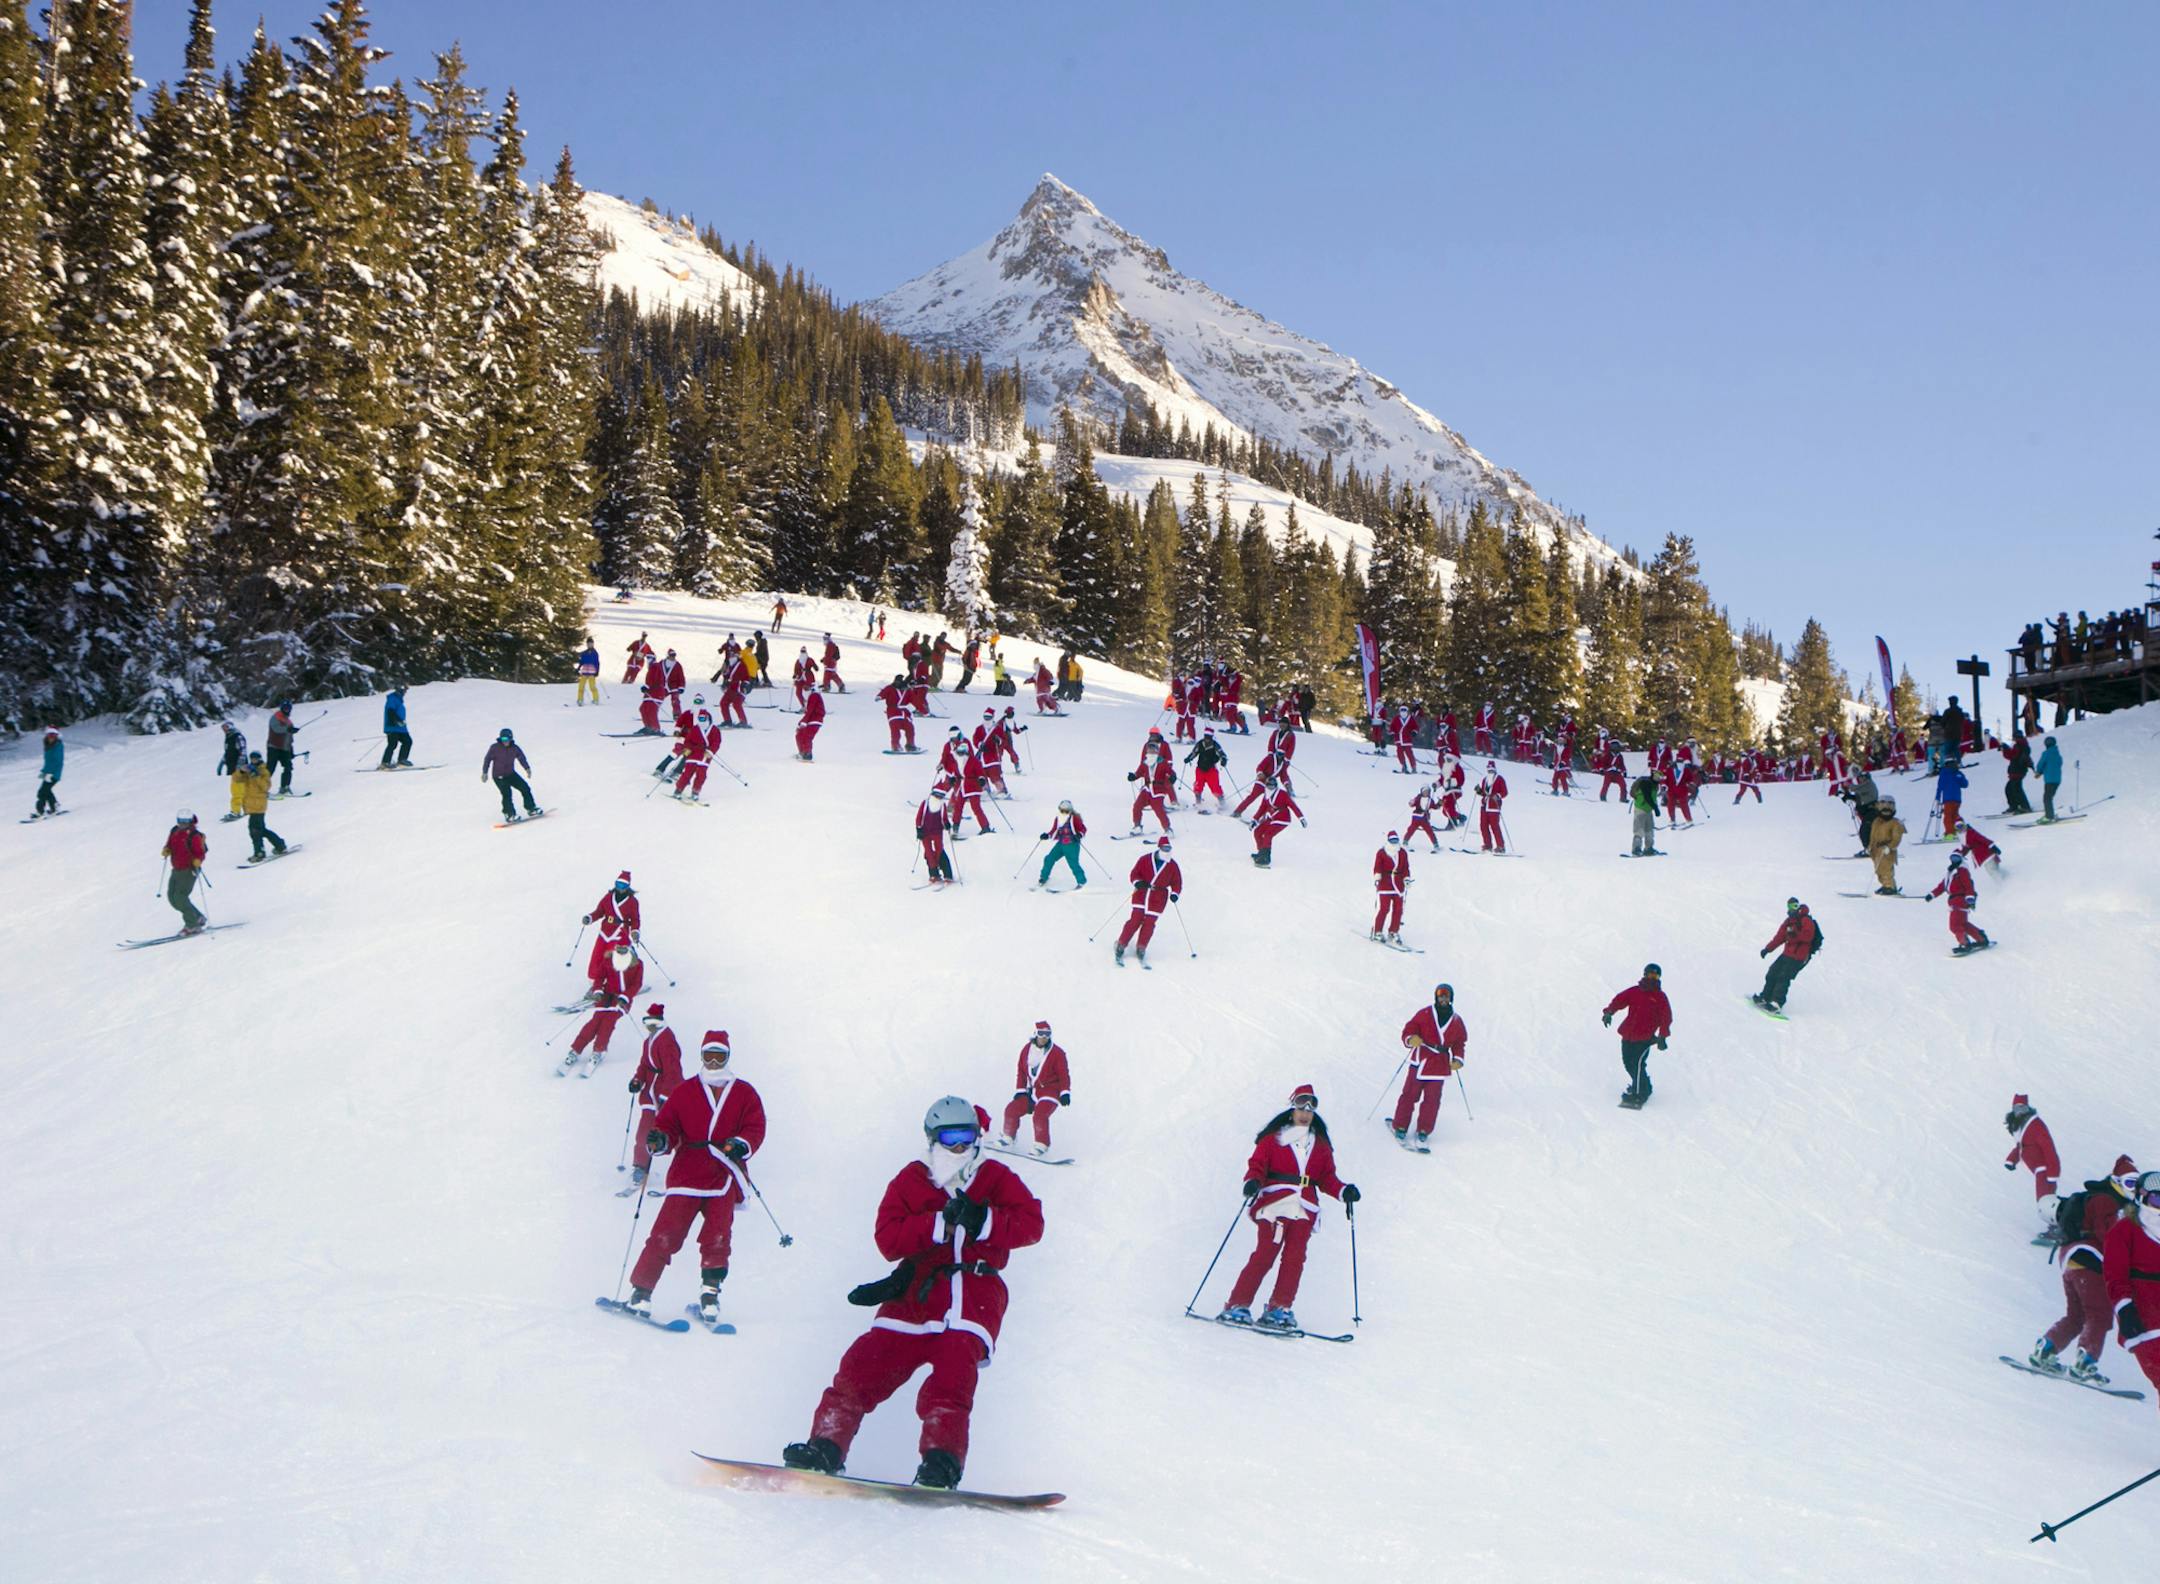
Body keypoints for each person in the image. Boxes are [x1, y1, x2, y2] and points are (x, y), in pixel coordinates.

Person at [783, 1097, 1044, 1489]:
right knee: (861, 1366)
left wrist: (984, 1220)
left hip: (972, 1296)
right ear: (932, 1138)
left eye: (967, 1137)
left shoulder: (994, 1177)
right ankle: (825, 1447)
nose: (959, 1147)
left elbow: (1031, 1223)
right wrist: (937, 1225)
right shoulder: (912, 1179)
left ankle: (940, 1463)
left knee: (952, 1380)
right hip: (915, 1296)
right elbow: (887, 1238)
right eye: (950, 1138)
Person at [627, 1031, 767, 1326]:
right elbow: (668, 1126)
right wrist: (660, 1140)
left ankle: (710, 1296)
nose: (714, 1061)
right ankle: (640, 1292)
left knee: (718, 1238)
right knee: (666, 1234)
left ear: (728, 1056)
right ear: (701, 1056)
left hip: (722, 1174)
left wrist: (741, 1143)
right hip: (687, 1174)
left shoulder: (744, 1092)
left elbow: (755, 1126)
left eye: (720, 1055)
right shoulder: (685, 1091)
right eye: (708, 1055)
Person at [1219, 1083, 1359, 1331]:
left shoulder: (1320, 1146)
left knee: (1294, 1259)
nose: (1305, 1113)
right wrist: (1252, 1182)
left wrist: (1343, 1190)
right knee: (1266, 1253)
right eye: (1300, 1107)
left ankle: (1279, 1308)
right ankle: (1237, 1304)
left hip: (1304, 1208)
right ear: (1292, 1109)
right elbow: (1257, 1166)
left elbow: (1327, 1178)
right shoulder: (1273, 1140)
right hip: (1275, 1203)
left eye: (1310, 1108)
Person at [2028, 1159, 2140, 1384]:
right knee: (2099, 1315)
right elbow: (2108, 1237)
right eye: (2128, 1183)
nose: (2131, 1190)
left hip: (2072, 1261)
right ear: (2115, 1181)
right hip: (2089, 1259)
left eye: (2135, 1185)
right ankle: (2085, 1362)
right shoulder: (2106, 1201)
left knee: (2077, 1316)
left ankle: (2046, 1348)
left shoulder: (2102, 1199)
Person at [2100, 1169, 2160, 1406]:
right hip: (2144, 1320)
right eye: (2156, 1199)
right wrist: (2125, 1308)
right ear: (2141, 1199)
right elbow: (2115, 1275)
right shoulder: (2125, 1230)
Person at [1391, 984, 1466, 1147]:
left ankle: (1424, 1130)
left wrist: (1458, 1059)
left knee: (1432, 1100)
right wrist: (1411, 1038)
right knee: (1410, 1094)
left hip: (1439, 1066)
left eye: (1446, 996)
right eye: (1440, 995)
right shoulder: (1425, 1014)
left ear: (1451, 998)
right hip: (1421, 1060)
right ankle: (1400, 1125)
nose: (1443, 999)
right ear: (1436, 997)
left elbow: (1460, 1043)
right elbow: (1409, 1028)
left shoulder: (1457, 1021)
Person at [625, 1004, 683, 1193]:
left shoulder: (667, 1041)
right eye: (646, 1023)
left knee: (674, 1132)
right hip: (650, 1093)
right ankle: (640, 1167)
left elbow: (673, 1070)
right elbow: (644, 1064)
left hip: (667, 1094)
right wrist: (637, 1080)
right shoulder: (648, 1041)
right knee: (645, 1130)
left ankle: (685, 1169)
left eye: (651, 1022)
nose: (648, 1027)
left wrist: (667, 1096)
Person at [1602, 964, 1673, 1108]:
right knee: (1628, 1063)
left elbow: (1666, 1017)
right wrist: (1609, 1012)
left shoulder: (1660, 997)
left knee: (1638, 1065)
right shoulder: (1635, 992)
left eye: (1656, 976)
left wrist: (1662, 1036)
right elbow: (1619, 1000)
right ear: (1645, 974)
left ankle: (1639, 1094)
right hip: (1628, 1034)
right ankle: (1644, 1086)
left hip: (1645, 1038)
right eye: (1650, 975)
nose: (1653, 978)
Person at [999, 1022, 1071, 1156]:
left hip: (1051, 1092)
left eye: (1047, 1034)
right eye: (1041, 1033)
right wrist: (1020, 1090)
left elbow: (1063, 1074)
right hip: (1033, 1092)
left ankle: (1041, 1144)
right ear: (1035, 1034)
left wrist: (1065, 1092)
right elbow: (1021, 1071)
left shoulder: (1057, 1053)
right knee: (1011, 1109)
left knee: (1040, 1114)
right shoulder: (1027, 1050)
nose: (1044, 1037)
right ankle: (1008, 1136)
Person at [1115, 836, 1181, 966]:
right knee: (1135, 920)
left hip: (1158, 898)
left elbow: (1177, 882)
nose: (1167, 851)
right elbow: (1134, 873)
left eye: (1169, 848)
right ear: (1159, 848)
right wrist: (1138, 882)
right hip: (1142, 894)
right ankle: (1121, 943)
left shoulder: (1172, 865)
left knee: (1149, 924)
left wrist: (1175, 893)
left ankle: (1142, 947)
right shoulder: (1145, 859)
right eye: (1165, 848)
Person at [1752, 898, 1820, 1013]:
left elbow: (1808, 936)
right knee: (1772, 972)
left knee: (1783, 977)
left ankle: (1776, 1003)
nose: (1792, 909)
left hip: (1798, 957)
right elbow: (1779, 937)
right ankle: (1765, 997)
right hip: (1787, 954)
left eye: (1795, 906)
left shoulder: (1806, 920)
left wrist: (1794, 934)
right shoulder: (1788, 921)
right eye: (1790, 906)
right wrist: (1768, 949)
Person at [1927, 849, 1990, 953]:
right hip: (1956, 900)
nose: (1954, 860)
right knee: (1963, 924)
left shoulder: (1962, 871)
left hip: (1960, 900)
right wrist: (1932, 895)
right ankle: (1981, 939)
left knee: (1954, 926)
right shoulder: (1951, 871)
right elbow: (1943, 886)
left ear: (1961, 859)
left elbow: (1968, 884)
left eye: (1956, 858)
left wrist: (1970, 897)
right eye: (1952, 858)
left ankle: (1965, 944)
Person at [161, 810, 210, 934]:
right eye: (180, 822)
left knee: (180, 897)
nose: (182, 824)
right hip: (176, 869)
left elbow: (200, 852)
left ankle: (192, 925)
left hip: (189, 870)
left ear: (190, 821)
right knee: (172, 897)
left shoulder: (194, 835)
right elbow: (169, 844)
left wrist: (198, 860)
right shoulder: (174, 831)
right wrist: (166, 850)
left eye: (185, 822)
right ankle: (198, 917)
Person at [2004, 1096, 2060, 1203]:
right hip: (2038, 1171)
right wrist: (2011, 1160)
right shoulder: (2020, 1127)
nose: (2019, 1112)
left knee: (2045, 1201)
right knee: (2043, 1201)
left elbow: (2049, 1149)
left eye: (2022, 1108)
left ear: (2027, 1108)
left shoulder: (2036, 1126)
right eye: (2016, 1108)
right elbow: (2021, 1146)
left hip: (2045, 1171)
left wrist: (2053, 1172)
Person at [235, 751, 289, 863]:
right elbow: (237, 779)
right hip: (251, 805)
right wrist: (241, 771)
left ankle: (259, 852)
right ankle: (279, 845)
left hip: (259, 805)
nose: (254, 761)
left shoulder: (263, 771)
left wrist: (256, 776)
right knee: (261, 830)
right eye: (252, 759)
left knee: (255, 830)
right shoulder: (250, 770)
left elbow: (265, 786)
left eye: (256, 759)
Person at [482, 728, 539, 821]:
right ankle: (509, 814)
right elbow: (487, 760)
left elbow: (521, 758)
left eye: (507, 739)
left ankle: (531, 808)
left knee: (525, 788)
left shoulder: (515, 748)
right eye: (503, 739)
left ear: (511, 739)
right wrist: (485, 772)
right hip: (499, 776)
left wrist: (527, 768)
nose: (505, 742)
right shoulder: (494, 748)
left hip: (510, 774)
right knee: (507, 793)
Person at [1248, 777, 1305, 869]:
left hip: (1282, 819)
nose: (1271, 787)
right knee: (1257, 831)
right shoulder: (1266, 794)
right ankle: (1261, 852)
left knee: (1268, 834)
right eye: (1269, 785)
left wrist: (1301, 818)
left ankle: (1266, 858)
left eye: (1273, 786)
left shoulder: (1282, 794)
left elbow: (1293, 805)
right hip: (1271, 817)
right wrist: (1254, 820)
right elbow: (1262, 808)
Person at [1037, 800, 1087, 890]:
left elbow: (1083, 829)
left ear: (1070, 810)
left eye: (1066, 811)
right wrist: (1047, 835)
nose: (1064, 813)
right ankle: (1043, 877)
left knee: (1073, 863)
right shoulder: (1058, 818)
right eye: (1062, 810)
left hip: (1072, 845)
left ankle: (1082, 881)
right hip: (1061, 844)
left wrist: (1079, 835)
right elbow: (1054, 830)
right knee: (1049, 858)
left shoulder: (1074, 818)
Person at [1370, 831, 1410, 943]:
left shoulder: (1402, 853)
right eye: (1392, 840)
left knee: (1398, 909)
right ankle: (1378, 931)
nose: (1394, 842)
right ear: (1388, 840)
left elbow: (1406, 867)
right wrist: (1377, 877)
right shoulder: (1382, 852)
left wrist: (1406, 878)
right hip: (1385, 883)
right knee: (1384, 908)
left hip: (1398, 884)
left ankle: (1393, 931)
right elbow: (1377, 866)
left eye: (1396, 840)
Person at [915, 782, 955, 886]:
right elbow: (919, 817)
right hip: (925, 832)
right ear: (933, 794)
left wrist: (947, 824)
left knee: (939, 850)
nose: (938, 798)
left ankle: (947, 874)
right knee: (928, 852)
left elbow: (944, 818)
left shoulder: (942, 805)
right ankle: (934, 874)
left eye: (941, 796)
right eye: (936, 795)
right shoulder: (925, 804)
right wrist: (919, 829)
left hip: (937, 831)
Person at [1867, 795, 1905, 895]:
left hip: (1887, 850)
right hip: (1876, 850)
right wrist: (1870, 846)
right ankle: (1884, 885)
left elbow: (1897, 838)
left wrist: (1890, 846)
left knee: (1886, 868)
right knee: (1878, 869)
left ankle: (1890, 886)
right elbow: (1873, 835)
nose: (1886, 808)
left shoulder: (1895, 823)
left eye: (1890, 805)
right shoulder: (1877, 821)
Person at [265, 700, 299, 795]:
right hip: (273, 747)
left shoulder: (289, 721)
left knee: (288, 767)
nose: (287, 710)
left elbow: (289, 738)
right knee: (270, 768)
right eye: (285, 708)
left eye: (288, 708)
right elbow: (276, 729)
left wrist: (291, 750)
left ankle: (285, 787)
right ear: (282, 708)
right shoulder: (275, 717)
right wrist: (288, 729)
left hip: (285, 749)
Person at [216, 720, 248, 821]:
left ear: (230, 727)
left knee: (236, 791)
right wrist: (222, 763)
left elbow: (243, 751)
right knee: (239, 790)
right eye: (222, 728)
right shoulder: (229, 738)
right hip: (234, 768)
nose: (224, 730)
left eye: (225, 727)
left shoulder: (237, 737)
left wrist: (240, 765)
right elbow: (228, 752)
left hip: (239, 769)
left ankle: (236, 811)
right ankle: (246, 809)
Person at [878, 675, 917, 753]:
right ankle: (895, 746)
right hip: (893, 713)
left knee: (910, 729)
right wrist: (880, 696)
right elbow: (883, 693)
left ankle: (910, 745)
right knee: (895, 731)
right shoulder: (890, 688)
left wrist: (922, 709)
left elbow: (915, 701)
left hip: (904, 713)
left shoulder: (908, 691)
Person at [1476, 760, 1509, 852]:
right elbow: (1484, 793)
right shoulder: (1485, 779)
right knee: (1483, 826)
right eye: (1489, 770)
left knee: (1495, 826)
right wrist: (1479, 791)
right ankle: (1487, 844)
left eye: (1492, 770)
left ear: (1494, 770)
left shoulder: (1499, 779)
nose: (1490, 772)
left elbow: (1505, 792)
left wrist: (1498, 795)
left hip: (1494, 806)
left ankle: (1501, 846)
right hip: (1484, 805)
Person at [31, 726, 62, 818]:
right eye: (49, 735)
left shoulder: (57, 746)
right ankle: (54, 807)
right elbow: (48, 761)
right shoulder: (48, 745)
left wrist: (49, 773)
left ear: (56, 736)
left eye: (53, 735)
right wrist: (44, 772)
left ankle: (40, 812)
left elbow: (57, 761)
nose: (51, 737)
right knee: (46, 791)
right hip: (47, 773)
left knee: (42, 792)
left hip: (53, 774)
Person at [2001, 733, 2034, 816]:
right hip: (2019, 771)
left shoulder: (2019, 746)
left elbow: (2012, 756)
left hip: (2017, 771)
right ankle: (2015, 806)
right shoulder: (2023, 745)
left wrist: (2005, 749)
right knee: (2011, 788)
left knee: (2015, 789)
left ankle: (2024, 807)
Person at [379, 687, 412, 768]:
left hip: (401, 728)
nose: (405, 692)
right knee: (392, 744)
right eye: (404, 690)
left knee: (408, 741)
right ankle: (385, 763)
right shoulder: (392, 699)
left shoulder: (399, 700)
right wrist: (398, 720)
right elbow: (390, 711)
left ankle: (402, 760)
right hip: (392, 727)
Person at [1629, 773, 1660, 857]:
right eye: (1657, 776)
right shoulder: (1645, 783)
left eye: (1660, 776)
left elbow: (1653, 797)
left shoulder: (1655, 785)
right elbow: (1647, 796)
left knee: (1649, 829)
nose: (1659, 778)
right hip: (1641, 808)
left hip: (1648, 810)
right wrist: (1655, 808)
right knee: (1639, 829)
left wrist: (1654, 807)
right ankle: (1636, 849)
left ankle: (1648, 848)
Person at [1934, 758, 1967, 836]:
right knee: (1955, 814)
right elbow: (1965, 784)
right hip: (1957, 799)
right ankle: (1961, 830)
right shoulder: (1958, 773)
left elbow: (1940, 786)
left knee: (1948, 816)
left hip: (1948, 799)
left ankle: (1950, 833)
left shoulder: (1944, 773)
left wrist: (1938, 797)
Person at [794, 687, 826, 761]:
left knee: (807, 737)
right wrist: (802, 722)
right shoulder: (811, 696)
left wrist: (803, 721)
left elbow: (810, 710)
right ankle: (802, 752)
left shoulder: (814, 696)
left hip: (815, 720)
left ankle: (807, 754)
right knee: (799, 734)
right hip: (810, 720)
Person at [2036, 735, 2063, 821]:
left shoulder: (2046, 753)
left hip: (2049, 780)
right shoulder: (2058, 754)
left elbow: (2041, 764)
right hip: (2057, 780)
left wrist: (2039, 772)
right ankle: (2050, 814)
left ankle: (2049, 816)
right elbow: (2057, 764)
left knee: (2047, 798)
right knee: (2049, 797)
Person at [575, 638, 602, 706]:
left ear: (593, 644)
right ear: (587, 644)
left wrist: (597, 671)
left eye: (591, 643)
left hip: (592, 673)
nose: (589, 645)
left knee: (592, 687)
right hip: (584, 672)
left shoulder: (595, 653)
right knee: (581, 687)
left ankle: (596, 699)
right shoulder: (584, 653)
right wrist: (578, 668)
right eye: (588, 644)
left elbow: (597, 663)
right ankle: (580, 700)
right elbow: (581, 662)